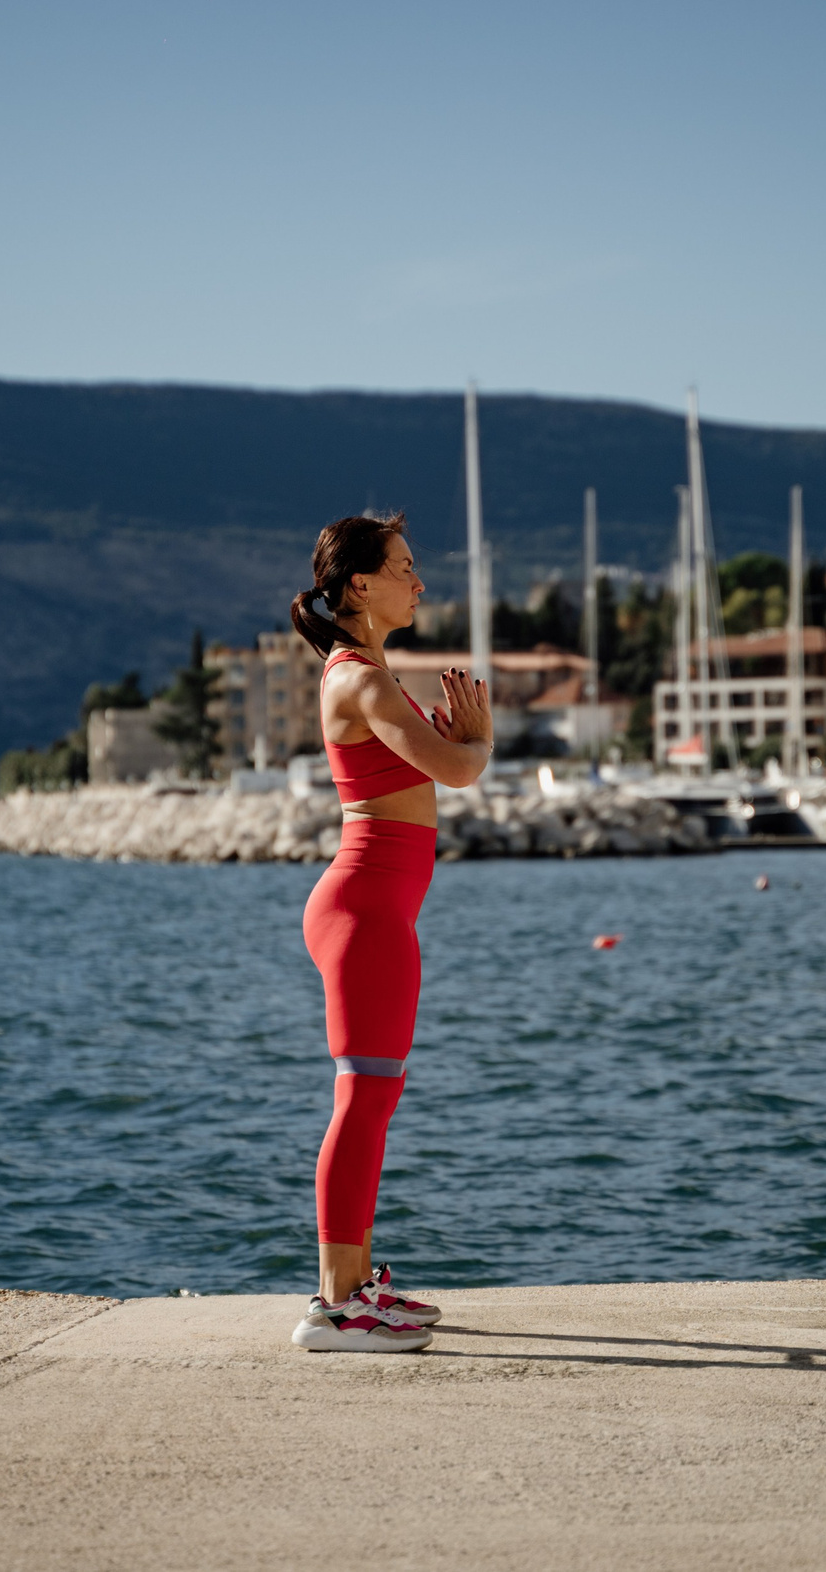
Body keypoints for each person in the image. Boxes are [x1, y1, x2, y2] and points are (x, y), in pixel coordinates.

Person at [285, 512, 492, 1353]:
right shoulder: (360, 679)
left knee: (376, 1096)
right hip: (364, 909)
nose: (421, 582)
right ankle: (335, 1308)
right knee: (361, 1098)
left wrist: (456, 742)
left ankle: (357, 1285)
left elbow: (428, 765)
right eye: (407, 567)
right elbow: (458, 769)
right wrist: (476, 739)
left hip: (378, 907)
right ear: (361, 584)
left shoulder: (368, 672)